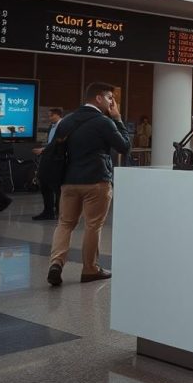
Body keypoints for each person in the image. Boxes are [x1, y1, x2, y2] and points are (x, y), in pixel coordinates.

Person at [47, 82, 131, 286]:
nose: (113, 102)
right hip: (97, 181)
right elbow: (124, 147)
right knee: (93, 225)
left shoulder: (67, 121)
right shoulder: (104, 122)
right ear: (99, 98)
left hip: (69, 181)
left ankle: (56, 263)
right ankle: (90, 268)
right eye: (110, 97)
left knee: (65, 223)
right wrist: (118, 119)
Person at [31, 108, 64, 220]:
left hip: (57, 161)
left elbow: (58, 143)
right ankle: (48, 211)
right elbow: (51, 143)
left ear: (58, 115)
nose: (49, 118)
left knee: (56, 186)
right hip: (48, 158)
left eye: (51, 116)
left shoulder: (63, 126)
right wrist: (44, 150)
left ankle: (59, 212)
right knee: (44, 183)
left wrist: (44, 150)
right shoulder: (51, 126)